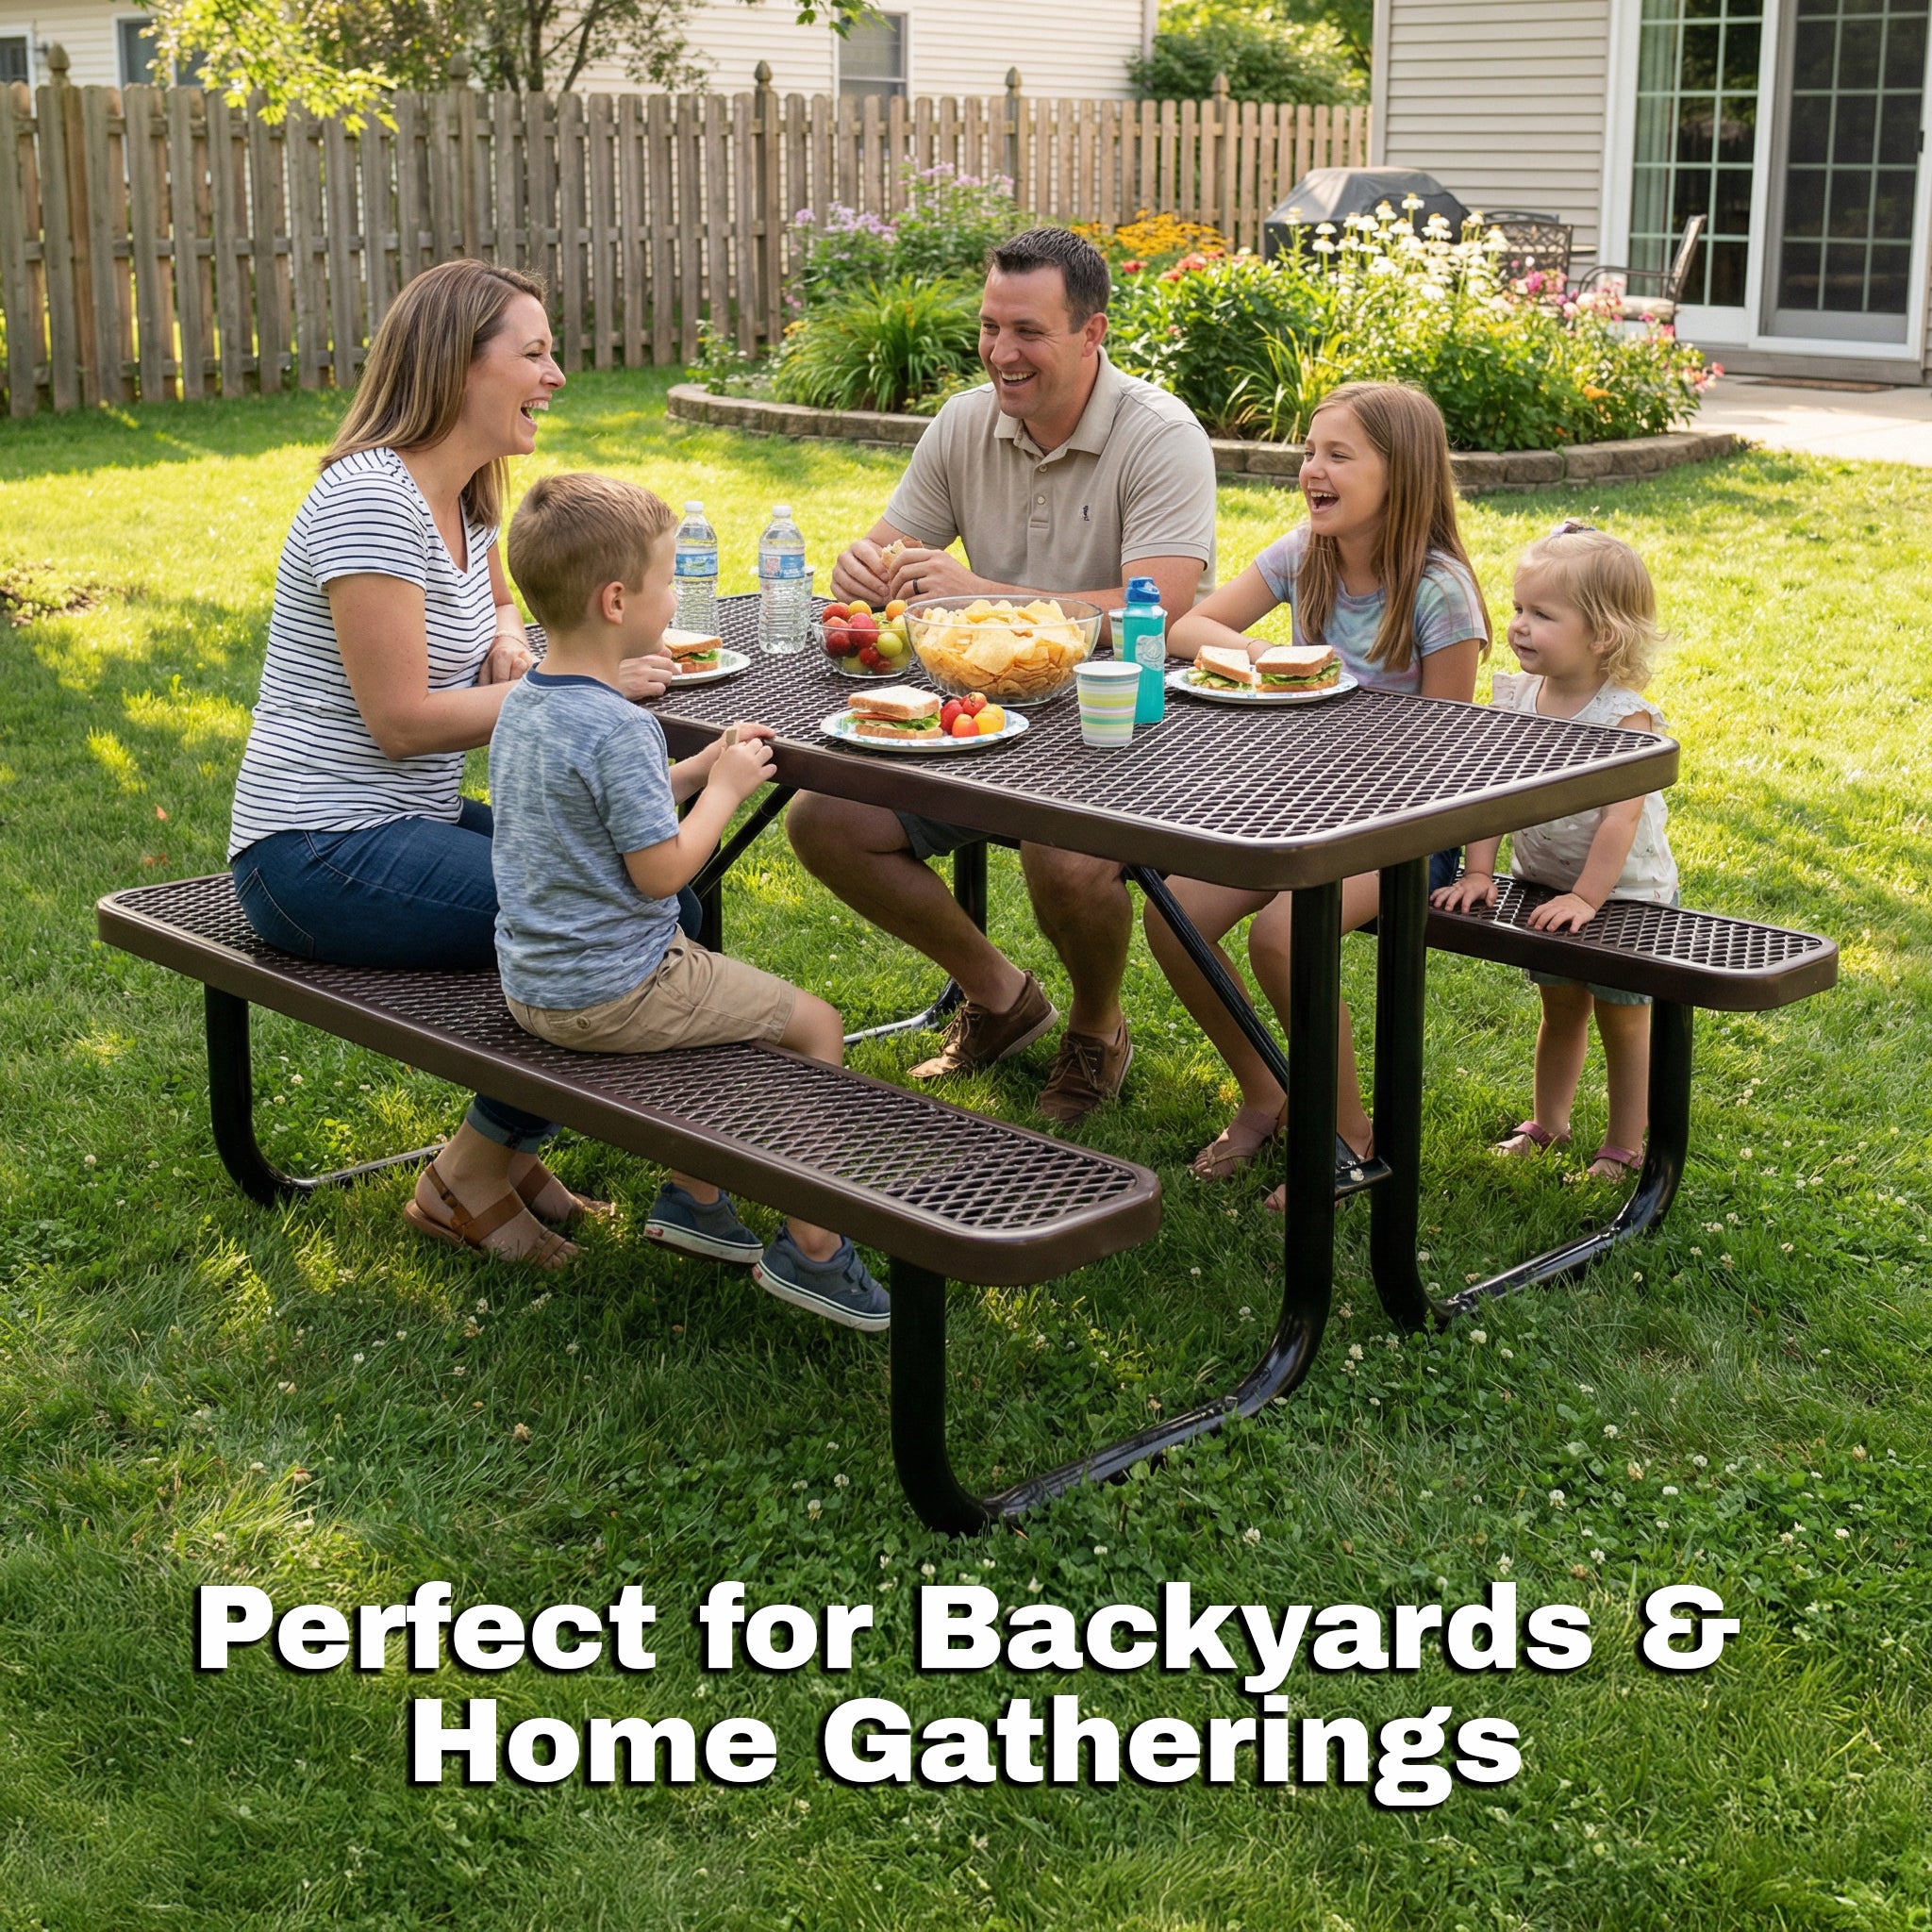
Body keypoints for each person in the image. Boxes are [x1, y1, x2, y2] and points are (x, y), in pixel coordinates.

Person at [226, 258, 680, 1269]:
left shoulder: (468, 500)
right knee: (592, 922)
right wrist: (580, 689)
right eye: (533, 353)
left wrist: (517, 646)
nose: (555, 373)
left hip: (406, 827)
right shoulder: (369, 500)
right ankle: (465, 1178)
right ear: (455, 367)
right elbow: (399, 720)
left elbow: (503, 608)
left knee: (671, 908)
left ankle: (509, 1154)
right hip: (314, 851)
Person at [787, 225, 1219, 1124]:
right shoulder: (963, 421)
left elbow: (1163, 609)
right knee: (824, 820)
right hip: (987, 714)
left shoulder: (1161, 435)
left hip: (1116, 722)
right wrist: (862, 568)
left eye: (1028, 332)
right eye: (990, 327)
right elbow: (889, 542)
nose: (1000, 353)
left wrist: (985, 593)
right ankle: (1001, 998)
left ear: (1092, 333)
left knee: (1062, 854)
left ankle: (1098, 1031)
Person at [491, 472, 891, 1330]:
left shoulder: (527, 707)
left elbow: (606, 815)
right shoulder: (620, 724)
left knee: (718, 1007)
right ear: (615, 601)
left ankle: (698, 1202)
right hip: (614, 989)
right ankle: (817, 1252)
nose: (677, 594)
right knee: (817, 1024)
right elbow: (661, 871)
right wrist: (730, 789)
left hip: (534, 982)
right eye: (669, 578)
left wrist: (696, 768)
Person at [1149, 381, 1491, 1205]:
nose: (1313, 470)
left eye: (1339, 455)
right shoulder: (1306, 552)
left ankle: (1346, 1135)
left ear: (1399, 475)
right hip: (1301, 808)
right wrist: (1271, 659)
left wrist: (1340, 718)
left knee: (1282, 935)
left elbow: (1451, 755)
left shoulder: (1440, 593)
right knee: (1175, 915)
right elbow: (1183, 626)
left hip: (1407, 828)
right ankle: (1268, 1091)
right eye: (1310, 451)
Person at [1431, 523, 1678, 1182]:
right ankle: (1550, 1123)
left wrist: (1586, 897)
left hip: (1623, 892)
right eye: (1517, 609)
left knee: (1624, 1019)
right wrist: (1480, 870)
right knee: (1560, 1008)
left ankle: (1624, 1143)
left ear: (1602, 636)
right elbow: (1492, 792)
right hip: (1545, 888)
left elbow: (1620, 820)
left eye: (1541, 614)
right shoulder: (1515, 697)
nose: (1517, 625)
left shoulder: (1625, 718)